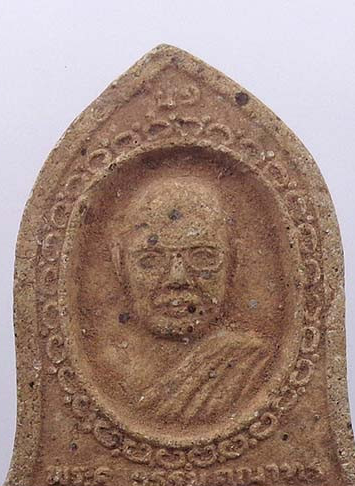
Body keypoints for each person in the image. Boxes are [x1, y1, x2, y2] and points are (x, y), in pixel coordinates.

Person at [110, 175, 271, 426]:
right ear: (120, 265)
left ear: (234, 262)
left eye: (203, 256)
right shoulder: (110, 368)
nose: (177, 278)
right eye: (150, 259)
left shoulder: (256, 368)